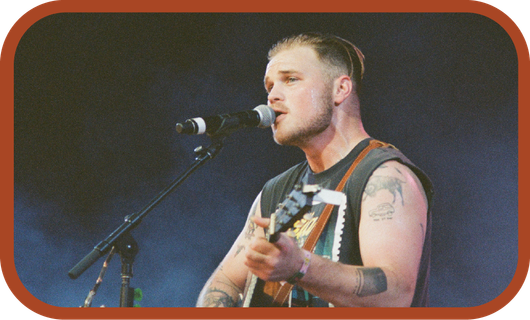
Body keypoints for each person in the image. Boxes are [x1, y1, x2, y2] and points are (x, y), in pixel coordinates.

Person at [196, 32, 433, 308]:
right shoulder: (276, 191)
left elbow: (395, 294)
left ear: (340, 90)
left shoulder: (384, 177)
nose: (272, 96)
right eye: (269, 86)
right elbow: (223, 282)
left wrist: (300, 265)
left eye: (291, 79)